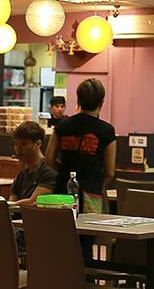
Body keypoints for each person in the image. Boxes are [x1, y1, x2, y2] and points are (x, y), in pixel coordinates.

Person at [45, 79, 116, 214]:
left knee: (62, 226)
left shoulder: (62, 126)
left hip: (62, 189)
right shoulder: (107, 130)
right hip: (91, 191)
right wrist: (99, 184)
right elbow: (110, 171)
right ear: (101, 103)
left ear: (78, 101)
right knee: (88, 226)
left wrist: (64, 171)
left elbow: (48, 158)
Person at [9, 121, 57, 206]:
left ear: (38, 144)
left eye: (24, 144)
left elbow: (33, 202)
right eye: (16, 144)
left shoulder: (49, 171)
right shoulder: (21, 176)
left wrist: (9, 205)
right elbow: (12, 202)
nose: (18, 149)